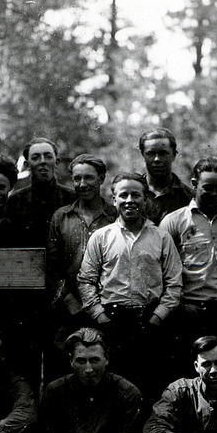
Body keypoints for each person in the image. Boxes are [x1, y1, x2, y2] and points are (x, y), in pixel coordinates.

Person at [5, 328, 160, 433]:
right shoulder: (55, 390)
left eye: (94, 360)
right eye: (81, 361)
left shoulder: (128, 392)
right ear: (71, 361)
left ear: (106, 359)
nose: (88, 369)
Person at [77, 172, 182, 401]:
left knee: (151, 385)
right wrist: (101, 316)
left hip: (151, 321)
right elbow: (86, 280)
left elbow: (174, 284)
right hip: (112, 322)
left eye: (136, 195)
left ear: (145, 199)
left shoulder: (162, 237)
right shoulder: (101, 237)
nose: (129, 200)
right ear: (113, 199)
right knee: (114, 388)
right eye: (123, 195)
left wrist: (157, 318)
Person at [160, 158, 217, 372]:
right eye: (208, 187)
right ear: (194, 184)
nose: (215, 194)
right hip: (190, 313)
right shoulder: (174, 222)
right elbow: (161, 271)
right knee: (188, 373)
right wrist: (180, 306)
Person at [46, 154, 116, 379]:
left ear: (101, 178)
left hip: (106, 306)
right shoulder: (62, 217)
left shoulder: (114, 216)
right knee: (63, 368)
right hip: (70, 308)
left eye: (89, 178)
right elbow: (51, 265)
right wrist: (69, 300)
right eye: (77, 179)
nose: (82, 184)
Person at [7, 137, 76, 246]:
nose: (43, 161)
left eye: (48, 156)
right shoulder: (15, 201)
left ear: (56, 162)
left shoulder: (72, 199)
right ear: (27, 165)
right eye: (35, 158)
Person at [138, 127, 194, 224]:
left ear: (174, 155)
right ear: (143, 155)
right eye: (151, 153)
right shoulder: (131, 194)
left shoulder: (189, 198)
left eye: (163, 153)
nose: (157, 159)